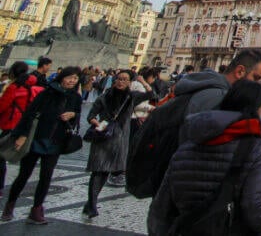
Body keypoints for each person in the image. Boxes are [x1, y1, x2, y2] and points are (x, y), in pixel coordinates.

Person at [147, 79, 261, 235]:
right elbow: (258, 212)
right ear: (258, 108)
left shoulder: (191, 139)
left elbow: (161, 207)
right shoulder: (255, 147)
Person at [2, 66, 82, 225]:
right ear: (62, 77)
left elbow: (77, 116)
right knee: (23, 175)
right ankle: (10, 204)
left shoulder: (75, 97)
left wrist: (73, 115)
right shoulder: (47, 92)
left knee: (46, 176)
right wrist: (22, 135)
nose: (72, 81)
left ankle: (36, 209)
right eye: (70, 77)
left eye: (75, 78)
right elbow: (29, 114)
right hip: (37, 139)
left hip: (56, 141)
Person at [82, 70, 153, 217]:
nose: (121, 82)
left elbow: (151, 95)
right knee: (98, 170)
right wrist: (99, 124)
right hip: (103, 137)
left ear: (129, 83)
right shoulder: (104, 97)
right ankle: (92, 205)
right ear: (115, 81)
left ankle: (90, 203)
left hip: (119, 140)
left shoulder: (131, 97)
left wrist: (143, 82)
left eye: (125, 80)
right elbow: (91, 116)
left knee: (105, 171)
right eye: (119, 79)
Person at [0, 62, 43, 196]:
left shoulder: (14, 87)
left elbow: (2, 106)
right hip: (26, 125)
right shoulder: (34, 86)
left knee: (0, 155)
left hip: (11, 124)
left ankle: (0, 185)